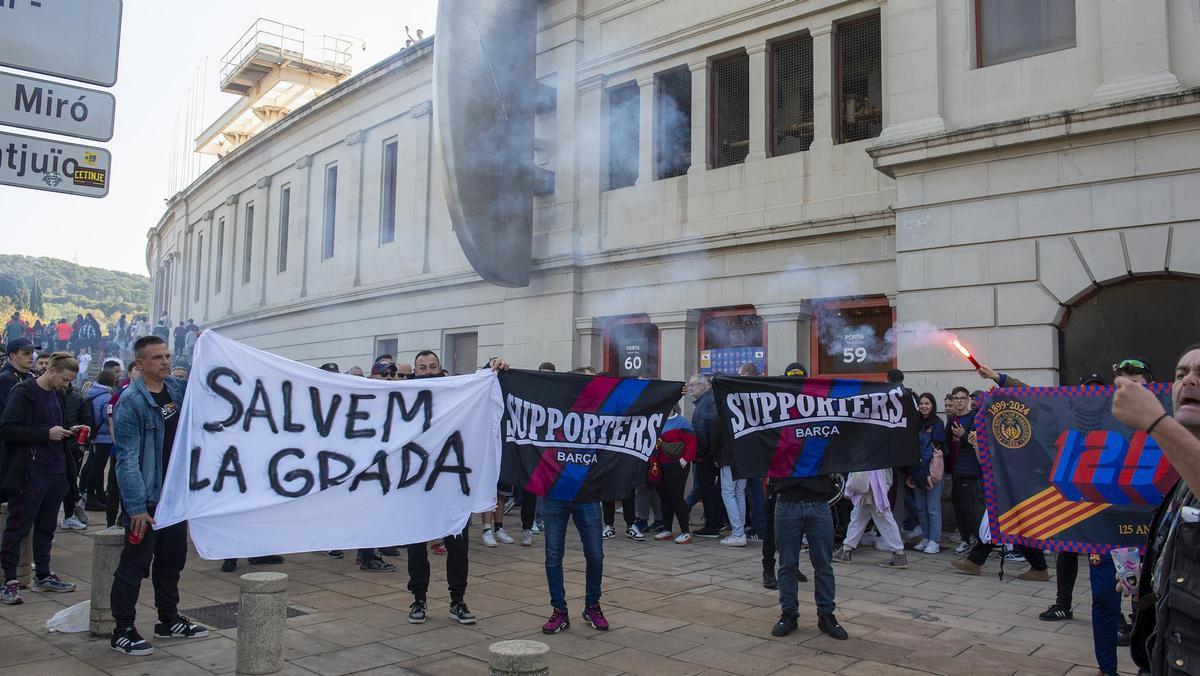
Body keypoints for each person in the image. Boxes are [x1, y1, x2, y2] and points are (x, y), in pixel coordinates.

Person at [109, 335, 208, 656]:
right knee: (134, 565)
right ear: (140, 364)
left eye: (167, 356)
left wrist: (206, 346)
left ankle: (168, 619)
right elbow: (126, 460)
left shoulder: (176, 391)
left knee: (172, 561)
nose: (165, 362)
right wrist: (136, 507)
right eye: (157, 358)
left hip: (174, 497)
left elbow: (206, 386)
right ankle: (122, 628)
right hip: (148, 500)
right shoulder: (131, 402)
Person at [1113, 344, 1200, 676]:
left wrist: (1156, 423)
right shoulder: (1184, 474)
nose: (1189, 381)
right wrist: (1153, 576)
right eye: (1181, 374)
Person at [769, 362, 845, 641]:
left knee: (823, 563)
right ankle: (789, 612)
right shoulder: (775, 421)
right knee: (787, 564)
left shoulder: (823, 419)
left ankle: (826, 614)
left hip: (817, 502)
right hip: (787, 501)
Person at [0, 352, 83, 604]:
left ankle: (44, 574)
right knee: (18, 526)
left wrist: (70, 432)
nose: (66, 385)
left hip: (56, 469)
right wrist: (46, 433)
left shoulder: (58, 394)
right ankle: (9, 580)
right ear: (52, 370)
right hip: (30, 471)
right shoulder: (23, 392)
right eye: (65, 379)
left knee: (47, 526)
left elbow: (57, 429)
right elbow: (7, 428)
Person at [406, 350, 476, 626]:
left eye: (432, 366)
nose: (427, 371)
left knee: (458, 547)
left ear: (441, 368)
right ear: (415, 370)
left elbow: (479, 385)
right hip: (415, 486)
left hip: (451, 483)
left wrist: (493, 365)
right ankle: (418, 599)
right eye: (422, 368)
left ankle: (457, 600)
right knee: (415, 548)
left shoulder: (453, 393)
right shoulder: (406, 396)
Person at [762, 362, 811, 590]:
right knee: (772, 528)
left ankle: (792, 566)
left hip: (803, 476)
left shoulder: (810, 404)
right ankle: (768, 569)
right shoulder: (776, 405)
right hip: (778, 476)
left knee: (798, 527)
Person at [650, 404, 696, 544]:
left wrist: (683, 461)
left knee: (676, 498)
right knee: (664, 498)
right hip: (659, 466)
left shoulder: (681, 422)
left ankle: (686, 532)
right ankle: (667, 529)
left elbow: (692, 442)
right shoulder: (656, 421)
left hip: (676, 466)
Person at [686, 374, 724, 538]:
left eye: (693, 385)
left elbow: (703, 432)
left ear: (703, 386)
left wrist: (699, 455)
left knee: (706, 490)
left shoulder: (706, 403)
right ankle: (716, 522)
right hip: (710, 455)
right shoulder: (706, 401)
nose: (690, 389)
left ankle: (712, 525)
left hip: (705, 457)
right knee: (710, 490)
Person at [946, 386, 981, 556]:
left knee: (970, 510)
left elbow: (977, 442)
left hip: (970, 471)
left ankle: (982, 544)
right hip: (955, 471)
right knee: (958, 508)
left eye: (962, 398)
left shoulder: (974, 418)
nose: (959, 401)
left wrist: (963, 434)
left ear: (967, 400)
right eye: (956, 398)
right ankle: (966, 541)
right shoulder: (951, 418)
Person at [909, 392, 945, 554]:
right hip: (916, 469)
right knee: (921, 508)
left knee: (933, 508)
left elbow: (937, 448)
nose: (924, 406)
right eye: (921, 403)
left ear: (933, 405)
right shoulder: (915, 423)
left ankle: (935, 540)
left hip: (931, 469)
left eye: (927, 403)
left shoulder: (937, 423)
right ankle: (925, 537)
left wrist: (929, 469)